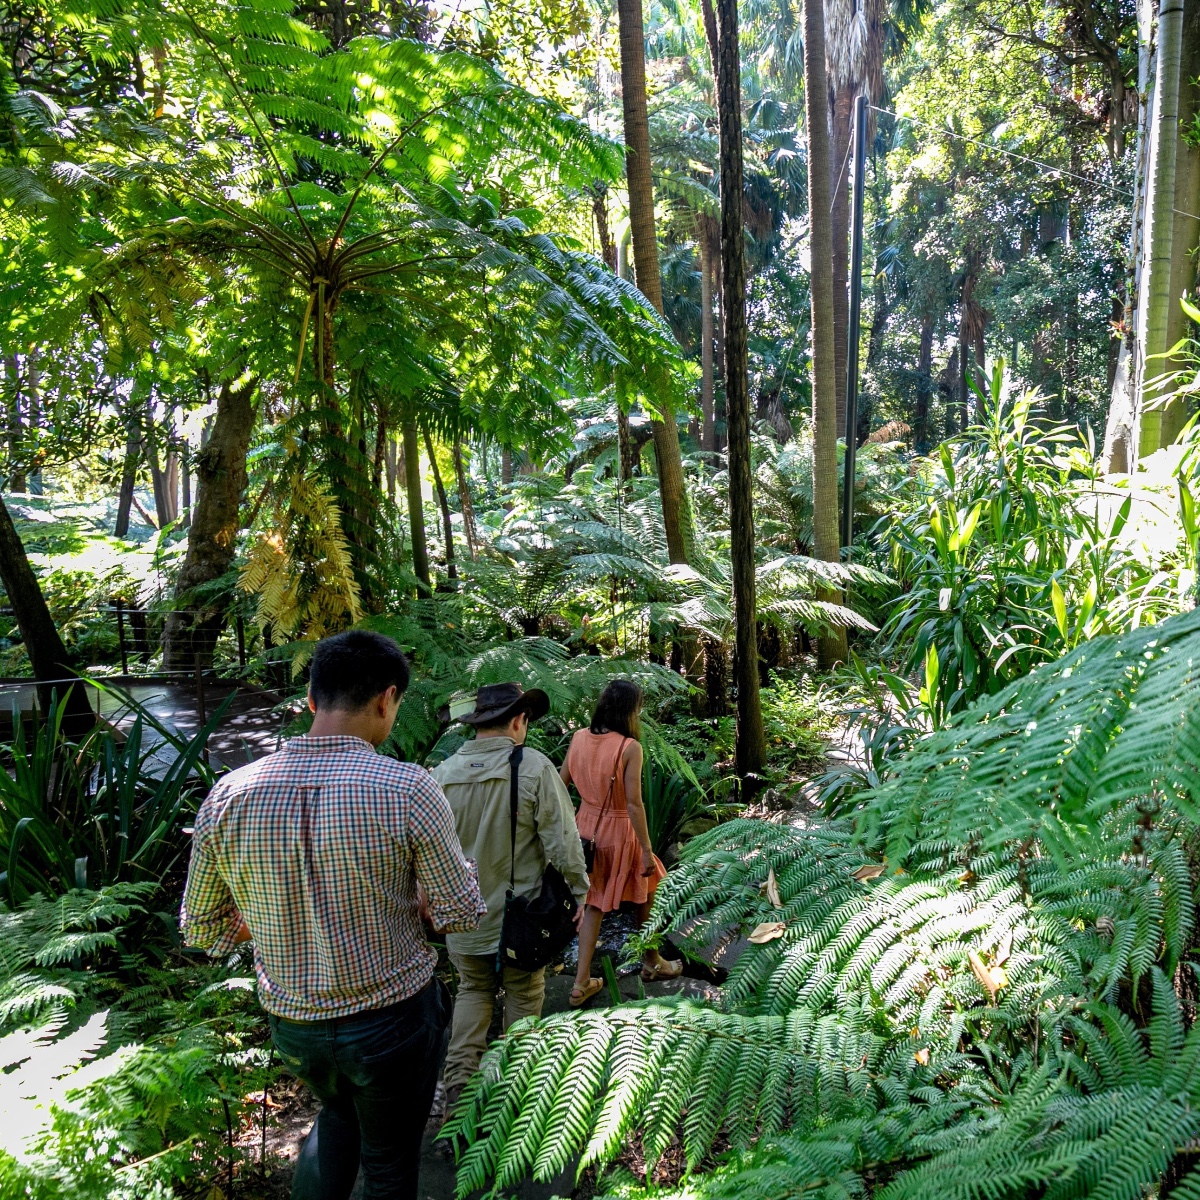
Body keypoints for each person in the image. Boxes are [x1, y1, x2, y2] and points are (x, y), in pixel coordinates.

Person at [180, 629, 484, 1200]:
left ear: (314, 700)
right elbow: (458, 913)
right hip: (392, 1019)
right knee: (390, 1164)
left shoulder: (230, 793)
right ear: (387, 699)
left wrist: (275, 915)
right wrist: (422, 899)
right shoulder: (407, 789)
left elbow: (204, 930)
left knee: (339, 1115)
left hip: (297, 1028)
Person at [431, 682, 590, 1112]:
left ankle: (459, 1105)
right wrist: (580, 891)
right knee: (523, 994)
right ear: (518, 721)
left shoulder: (440, 776)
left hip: (462, 917)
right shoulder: (535, 768)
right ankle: (513, 1103)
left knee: (471, 992)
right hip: (521, 920)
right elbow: (562, 842)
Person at [561, 679, 682, 1006]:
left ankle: (581, 981)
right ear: (631, 711)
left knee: (595, 900)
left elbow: (561, 786)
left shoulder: (578, 738)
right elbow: (633, 804)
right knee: (648, 885)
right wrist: (645, 849)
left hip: (584, 827)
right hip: (618, 829)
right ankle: (652, 960)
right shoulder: (629, 747)